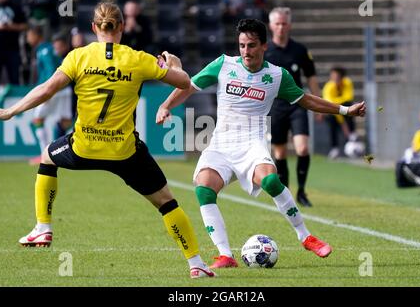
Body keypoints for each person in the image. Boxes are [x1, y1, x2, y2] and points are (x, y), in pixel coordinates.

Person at [0, 2, 215, 279]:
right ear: (122, 27)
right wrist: (175, 64)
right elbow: (184, 82)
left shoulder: (79, 57)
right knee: (166, 202)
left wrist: (12, 111)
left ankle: (43, 227)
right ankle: (196, 263)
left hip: (83, 147)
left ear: (94, 27)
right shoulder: (138, 59)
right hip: (124, 152)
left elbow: (47, 88)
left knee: (48, 158)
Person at [156, 19, 366, 268]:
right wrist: (166, 105)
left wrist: (345, 109)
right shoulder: (224, 64)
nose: (246, 51)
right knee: (204, 189)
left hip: (252, 143)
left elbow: (306, 100)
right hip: (221, 144)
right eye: (242, 45)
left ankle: (306, 236)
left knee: (270, 180)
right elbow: (188, 87)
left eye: (252, 45)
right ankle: (225, 255)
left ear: (264, 46)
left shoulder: (277, 75)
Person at [264, 7, 321, 207]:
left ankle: (302, 191)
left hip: (297, 104)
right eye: (277, 23)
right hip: (275, 106)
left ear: (290, 25)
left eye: (284, 23)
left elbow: (311, 77)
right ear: (271, 26)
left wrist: (318, 104)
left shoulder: (300, 50)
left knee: (302, 148)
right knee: (279, 153)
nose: (281, 27)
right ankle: (286, 195)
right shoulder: (266, 51)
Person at [26, 26, 72, 165]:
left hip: (53, 90)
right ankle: (69, 152)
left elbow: (51, 70)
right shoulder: (51, 48)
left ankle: (44, 155)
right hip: (65, 89)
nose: (28, 39)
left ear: (36, 35)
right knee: (66, 121)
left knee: (37, 119)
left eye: (29, 35)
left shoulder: (44, 50)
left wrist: (46, 91)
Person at [0, 0, 27, 85]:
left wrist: (11, 26)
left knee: (14, 78)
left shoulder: (16, 6)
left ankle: (17, 100)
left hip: (12, 49)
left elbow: (25, 25)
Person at [322, 66, 357, 159]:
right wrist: (341, 121)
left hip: (344, 110)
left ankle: (351, 137)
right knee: (332, 119)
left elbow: (348, 97)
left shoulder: (347, 82)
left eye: (336, 76)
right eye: (332, 76)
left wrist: (338, 103)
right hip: (334, 112)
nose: (333, 78)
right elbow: (329, 104)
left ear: (341, 77)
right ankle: (335, 148)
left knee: (349, 106)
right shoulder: (328, 87)